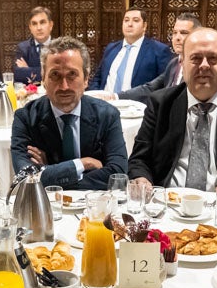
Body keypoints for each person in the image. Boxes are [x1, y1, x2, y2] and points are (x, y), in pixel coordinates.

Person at [128, 27, 217, 201]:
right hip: (168, 203)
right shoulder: (161, 103)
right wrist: (142, 179)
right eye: (196, 58)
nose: (204, 65)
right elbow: (139, 159)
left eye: (212, 58)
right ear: (182, 63)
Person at [10, 36, 129, 190]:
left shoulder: (107, 115)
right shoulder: (25, 118)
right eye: (55, 75)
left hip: (94, 206)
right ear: (43, 79)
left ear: (86, 79)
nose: (64, 86)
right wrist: (83, 163)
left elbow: (118, 176)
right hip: (49, 208)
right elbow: (25, 179)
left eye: (72, 74)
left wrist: (49, 171)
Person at [118, 12, 200, 103]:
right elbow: (150, 88)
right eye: (174, 33)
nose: (177, 37)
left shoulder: (201, 67)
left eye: (184, 33)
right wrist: (116, 96)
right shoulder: (174, 63)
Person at [89, 8, 173, 93]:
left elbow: (164, 84)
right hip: (104, 103)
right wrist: (95, 98)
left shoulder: (159, 50)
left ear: (144, 26)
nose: (129, 24)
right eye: (126, 20)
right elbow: (98, 77)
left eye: (135, 21)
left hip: (137, 104)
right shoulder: (111, 48)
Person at [12, 6, 54, 84]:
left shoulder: (59, 47)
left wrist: (27, 69)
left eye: (42, 22)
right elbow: (18, 75)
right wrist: (48, 71)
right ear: (30, 27)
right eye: (34, 24)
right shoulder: (22, 48)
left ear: (51, 25)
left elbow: (58, 75)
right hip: (30, 94)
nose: (39, 28)